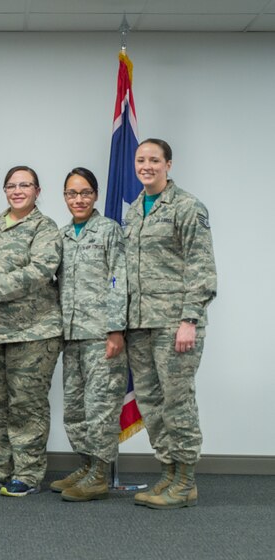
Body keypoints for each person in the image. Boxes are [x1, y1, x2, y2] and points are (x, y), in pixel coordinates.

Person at [125, 139, 217, 509]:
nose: (146, 166)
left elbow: (201, 267)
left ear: (169, 165)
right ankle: (168, 472)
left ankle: (186, 481)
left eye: (154, 160)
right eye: (141, 160)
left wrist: (189, 319)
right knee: (151, 403)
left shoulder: (187, 207)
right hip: (140, 324)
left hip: (175, 324)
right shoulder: (134, 211)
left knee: (178, 403)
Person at [0, 165, 63, 497]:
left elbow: (40, 270)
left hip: (32, 331)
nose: (18, 190)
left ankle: (28, 472)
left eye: (25, 185)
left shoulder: (45, 228)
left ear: (38, 190)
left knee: (27, 404)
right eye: (11, 185)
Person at [51, 167, 128, 502]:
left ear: (95, 195)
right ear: (65, 197)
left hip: (101, 335)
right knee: (75, 408)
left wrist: (115, 330)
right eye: (71, 193)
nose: (78, 199)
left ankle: (99, 474)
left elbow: (120, 280)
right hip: (71, 335)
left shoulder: (109, 231)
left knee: (101, 407)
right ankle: (85, 465)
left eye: (84, 193)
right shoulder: (62, 235)